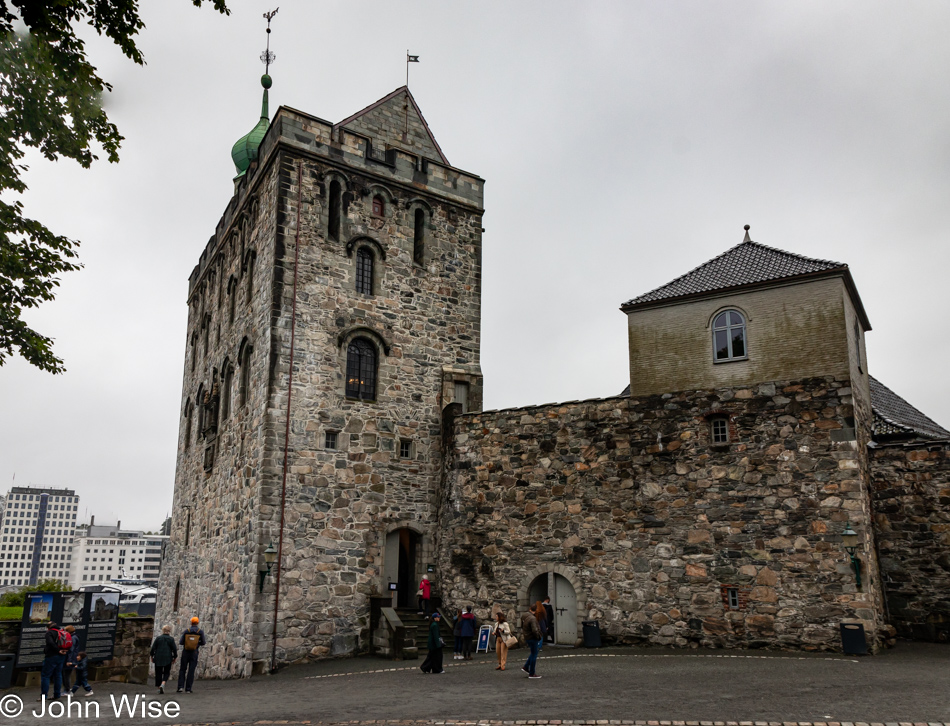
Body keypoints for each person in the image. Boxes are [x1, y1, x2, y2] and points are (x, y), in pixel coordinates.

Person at [38, 621, 69, 701]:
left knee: (46, 676)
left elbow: (50, 642)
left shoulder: (50, 633)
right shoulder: (62, 632)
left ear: (48, 627)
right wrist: (63, 651)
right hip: (62, 656)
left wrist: (57, 650)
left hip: (51, 656)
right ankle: (57, 694)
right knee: (58, 675)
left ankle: (44, 696)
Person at [176, 616, 205, 693]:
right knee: (191, 670)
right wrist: (197, 644)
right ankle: (188, 688)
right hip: (194, 652)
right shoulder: (200, 632)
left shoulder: (187, 631)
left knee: (182, 669)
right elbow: (203, 642)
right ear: (197, 623)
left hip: (185, 652)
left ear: (191, 622)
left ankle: (180, 687)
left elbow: (181, 642)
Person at [150, 624, 179, 694]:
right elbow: (174, 649)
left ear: (163, 630)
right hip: (168, 657)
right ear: (169, 631)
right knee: (166, 672)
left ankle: (159, 686)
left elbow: (153, 648)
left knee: (158, 672)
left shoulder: (158, 638)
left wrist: (152, 656)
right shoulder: (171, 639)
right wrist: (175, 657)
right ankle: (163, 684)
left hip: (158, 657)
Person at [521, 605, 542, 679]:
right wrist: (538, 637)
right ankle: (532, 673)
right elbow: (534, 630)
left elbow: (522, 626)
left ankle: (526, 667)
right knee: (534, 654)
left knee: (533, 653)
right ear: (536, 610)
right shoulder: (532, 618)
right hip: (532, 638)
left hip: (527, 636)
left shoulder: (524, 616)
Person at [61, 625, 78, 692]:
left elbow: (71, 650)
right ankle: (66, 688)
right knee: (66, 674)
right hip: (72, 658)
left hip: (70, 658)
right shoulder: (75, 637)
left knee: (66, 674)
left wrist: (69, 660)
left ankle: (67, 689)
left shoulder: (73, 638)